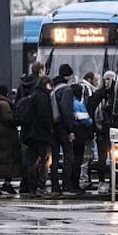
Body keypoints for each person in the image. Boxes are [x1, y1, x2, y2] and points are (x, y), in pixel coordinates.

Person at [22, 76, 55, 196]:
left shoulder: (33, 95)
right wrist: (50, 129)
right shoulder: (43, 97)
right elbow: (44, 116)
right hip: (42, 135)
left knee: (32, 161)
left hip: (31, 135)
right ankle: (41, 185)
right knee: (45, 160)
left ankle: (31, 187)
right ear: (47, 84)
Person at [16, 62, 45, 194]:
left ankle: (25, 184)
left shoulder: (22, 84)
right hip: (38, 127)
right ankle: (35, 185)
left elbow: (17, 104)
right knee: (41, 158)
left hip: (26, 127)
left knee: (28, 157)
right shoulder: (40, 84)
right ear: (40, 71)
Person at [87, 70, 117, 194]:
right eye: (105, 79)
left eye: (109, 79)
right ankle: (102, 181)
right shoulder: (99, 94)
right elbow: (91, 110)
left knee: (115, 158)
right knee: (102, 158)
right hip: (102, 130)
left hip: (114, 130)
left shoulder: (116, 94)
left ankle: (114, 181)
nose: (107, 81)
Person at [50, 64, 77, 195]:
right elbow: (67, 111)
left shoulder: (53, 87)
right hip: (62, 127)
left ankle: (55, 185)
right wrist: (71, 130)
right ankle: (67, 184)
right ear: (69, 75)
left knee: (54, 156)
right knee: (68, 155)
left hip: (52, 126)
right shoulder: (66, 90)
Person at [70, 84, 95, 194]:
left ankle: (71, 182)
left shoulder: (68, 102)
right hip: (80, 134)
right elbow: (87, 120)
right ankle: (75, 184)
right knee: (78, 160)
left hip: (73, 133)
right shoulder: (78, 104)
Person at [77, 72, 99, 190]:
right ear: (90, 79)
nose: (97, 83)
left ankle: (84, 179)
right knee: (86, 156)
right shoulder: (88, 90)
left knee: (86, 156)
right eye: (96, 80)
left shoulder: (83, 88)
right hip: (86, 128)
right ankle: (84, 180)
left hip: (83, 128)